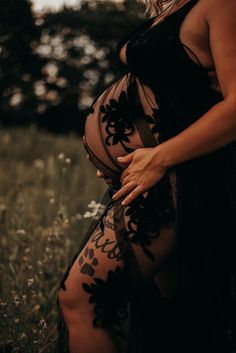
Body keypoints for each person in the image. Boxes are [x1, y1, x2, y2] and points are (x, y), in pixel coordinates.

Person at [54, 0, 236, 352]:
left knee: (80, 299)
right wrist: (113, 154)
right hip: (152, 180)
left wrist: (158, 157)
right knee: (172, 322)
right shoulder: (171, 7)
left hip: (181, 181)